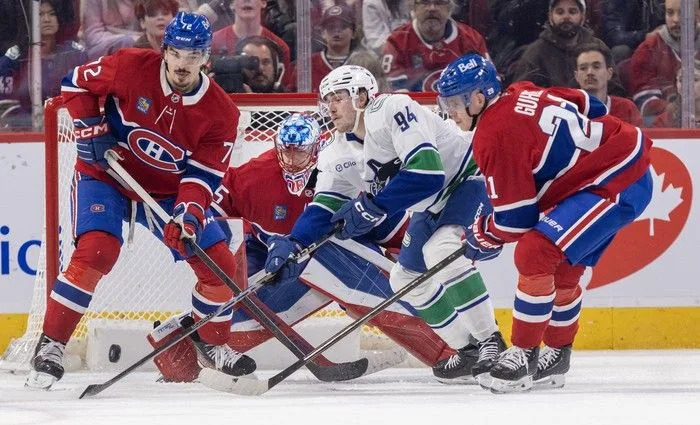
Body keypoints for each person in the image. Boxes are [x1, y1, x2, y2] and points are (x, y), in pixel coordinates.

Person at [26, 12, 256, 390]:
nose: (184, 63)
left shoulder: (221, 113)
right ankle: (51, 344)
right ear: (164, 50)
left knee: (221, 267)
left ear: (207, 59)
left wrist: (187, 216)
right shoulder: (131, 65)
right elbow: (76, 83)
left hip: (167, 193)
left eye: (194, 54)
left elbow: (203, 175)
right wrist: (90, 128)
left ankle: (210, 341)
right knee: (97, 251)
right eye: (178, 52)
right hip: (107, 175)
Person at [265, 65, 506, 384]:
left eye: (339, 96)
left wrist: (373, 207)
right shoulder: (335, 152)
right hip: (433, 206)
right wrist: (293, 244)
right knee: (404, 277)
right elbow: (324, 208)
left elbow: (427, 174)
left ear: (362, 96)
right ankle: (468, 348)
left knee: (441, 250)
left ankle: (492, 342)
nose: (331, 106)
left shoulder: (394, 108)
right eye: (328, 100)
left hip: (470, 179)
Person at [437, 53, 653, 393]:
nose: (448, 110)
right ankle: (557, 354)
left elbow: (516, 220)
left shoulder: (493, 134)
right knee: (562, 269)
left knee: (535, 251)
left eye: (453, 102)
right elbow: (589, 104)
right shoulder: (520, 91)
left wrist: (481, 235)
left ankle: (523, 354)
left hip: (617, 179)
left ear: (478, 98)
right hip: (612, 170)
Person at [509, 0, 623, 94]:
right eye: (560, 12)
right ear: (550, 16)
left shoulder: (598, 47)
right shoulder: (535, 52)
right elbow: (520, 94)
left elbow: (614, 88)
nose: (566, 17)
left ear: (582, 16)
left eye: (572, 12)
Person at [382, 0, 489, 92]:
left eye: (439, 2)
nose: (432, 8)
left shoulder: (472, 40)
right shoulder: (397, 42)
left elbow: (489, 84)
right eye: (424, 1)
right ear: (413, 7)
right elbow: (392, 93)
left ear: (450, 7)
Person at [628, 0, 700, 125]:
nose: (676, 19)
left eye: (682, 13)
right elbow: (646, 103)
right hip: (666, 122)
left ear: (697, 15)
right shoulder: (648, 49)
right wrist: (675, 110)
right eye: (670, 13)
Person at [210, 0, 291, 84]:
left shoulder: (280, 48)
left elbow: (283, 92)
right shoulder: (212, 43)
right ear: (231, 4)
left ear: (263, 2)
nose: (247, 0)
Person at [286, 4, 361, 92]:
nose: (336, 31)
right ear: (322, 33)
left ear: (354, 33)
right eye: (331, 27)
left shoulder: (364, 63)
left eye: (343, 26)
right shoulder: (306, 65)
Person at [573, 43, 643, 127]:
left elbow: (640, 138)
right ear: (576, 76)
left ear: (609, 73)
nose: (589, 72)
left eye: (596, 67)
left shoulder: (627, 108)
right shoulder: (567, 111)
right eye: (583, 68)